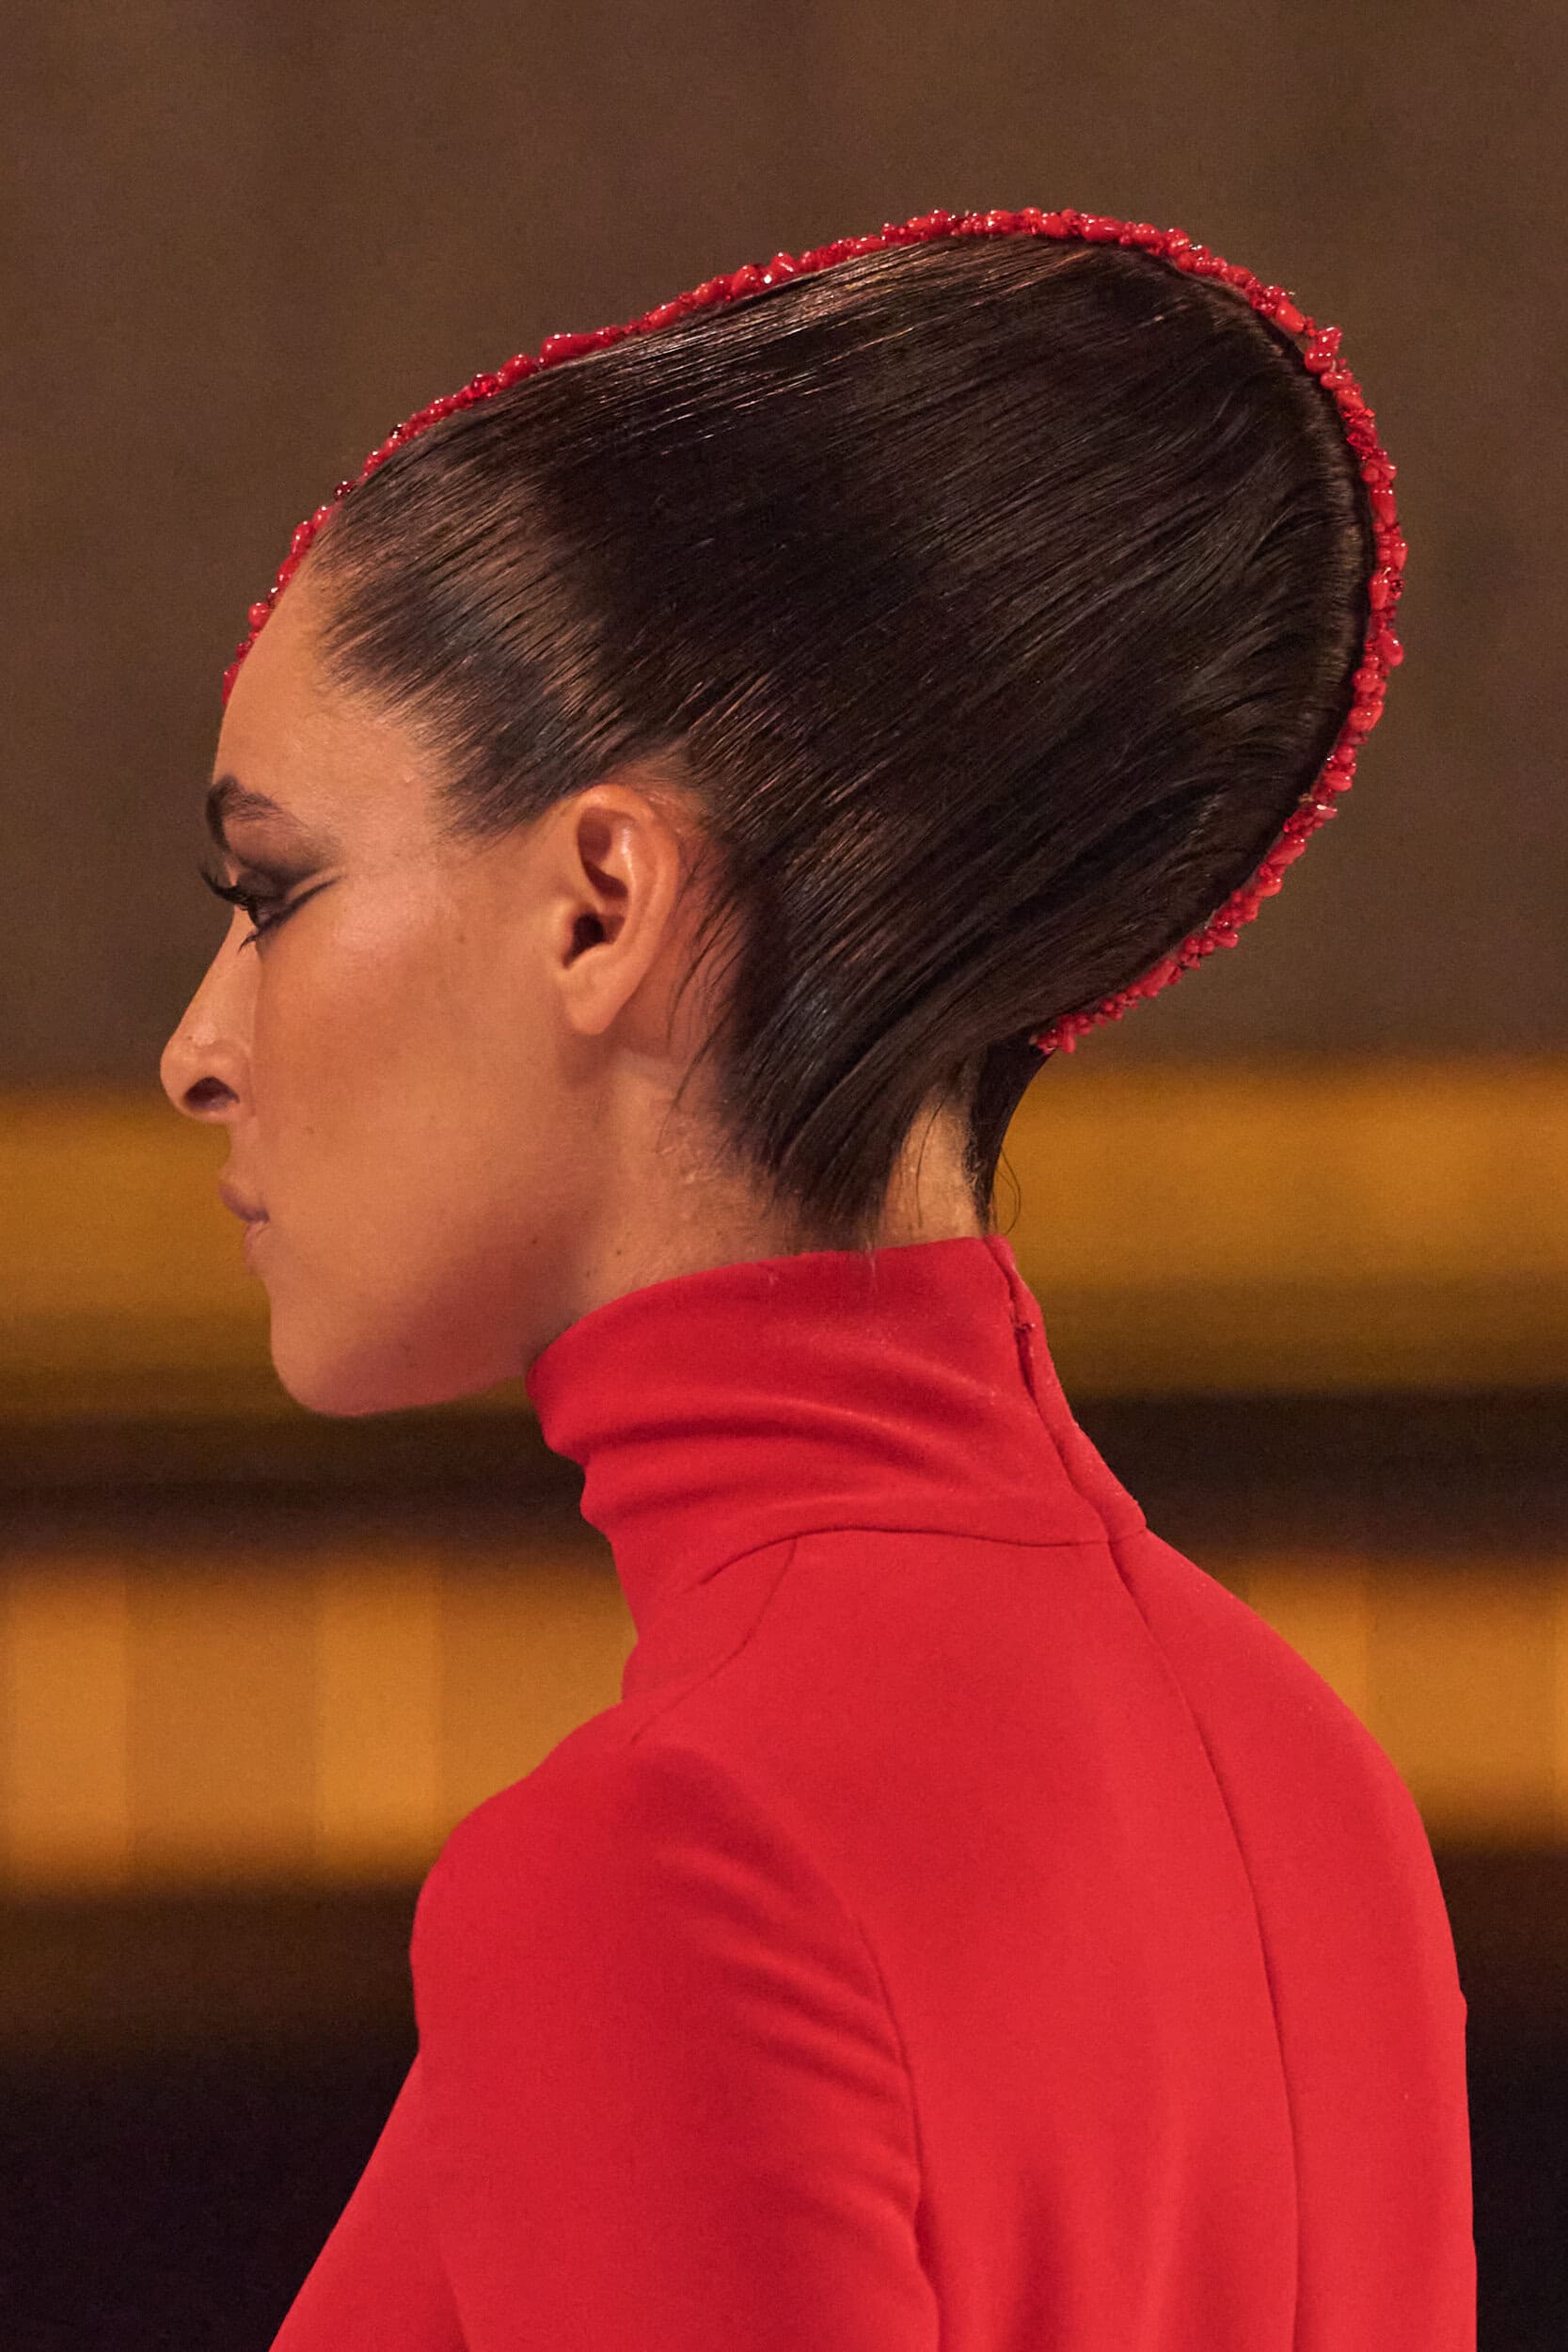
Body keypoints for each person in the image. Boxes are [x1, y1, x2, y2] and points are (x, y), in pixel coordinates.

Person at [159, 211, 1473, 2349]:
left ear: (602, 903)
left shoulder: (666, 1855)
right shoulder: (1303, 1778)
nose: (199, 1047)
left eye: (271, 886)